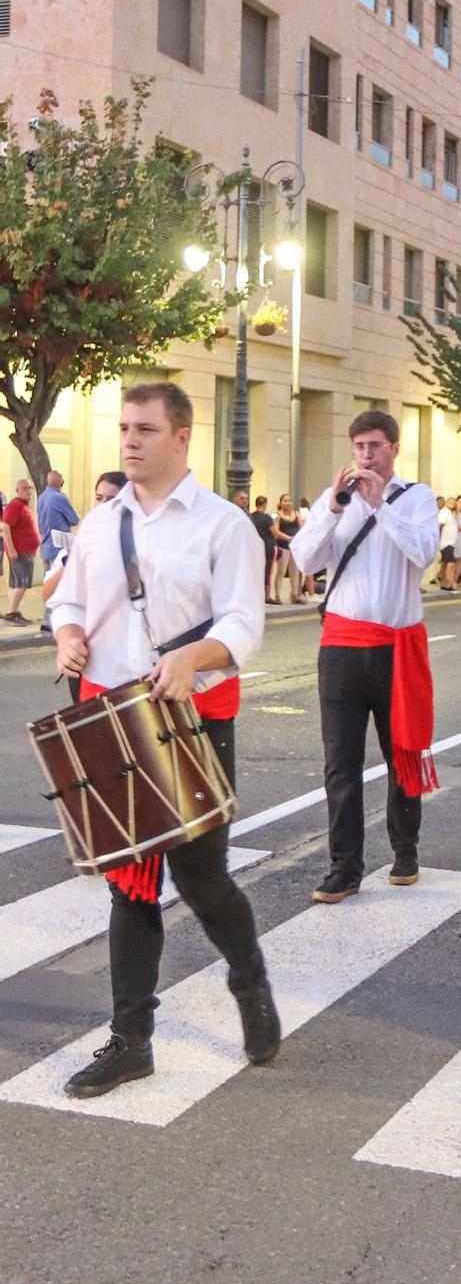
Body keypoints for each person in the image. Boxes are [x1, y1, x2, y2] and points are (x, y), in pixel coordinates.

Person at [51, 381, 279, 1097]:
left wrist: (193, 656)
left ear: (181, 436)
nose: (129, 440)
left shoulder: (222, 524)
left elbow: (245, 623)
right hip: (112, 721)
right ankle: (131, 1041)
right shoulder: (100, 522)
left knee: (202, 878)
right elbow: (68, 597)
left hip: (189, 720)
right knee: (129, 886)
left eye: (145, 428)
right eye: (125, 427)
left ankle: (249, 982)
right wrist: (67, 637)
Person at [289, 409, 441, 902]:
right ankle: (344, 867)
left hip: (396, 649)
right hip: (341, 648)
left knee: (403, 754)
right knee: (341, 763)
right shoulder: (334, 501)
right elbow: (305, 562)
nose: (366, 456)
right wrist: (334, 509)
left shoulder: (416, 498)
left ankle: (405, 851)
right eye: (359, 447)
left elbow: (423, 552)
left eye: (375, 446)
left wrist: (380, 507)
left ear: (394, 448)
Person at [44, 472, 128, 699]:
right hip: (84, 656)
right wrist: (70, 563)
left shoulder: (138, 541)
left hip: (123, 662)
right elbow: (50, 594)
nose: (102, 505)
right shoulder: (84, 539)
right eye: (98, 498)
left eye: (111, 499)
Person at [2, 478, 40, 625]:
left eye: (30, 488)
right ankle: (11, 615)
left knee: (19, 584)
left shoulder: (25, 506)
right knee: (23, 584)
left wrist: (34, 547)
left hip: (27, 551)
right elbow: (6, 527)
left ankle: (12, 611)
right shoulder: (15, 505)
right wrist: (11, 549)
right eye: (24, 488)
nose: (28, 490)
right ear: (17, 491)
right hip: (19, 552)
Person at [273, 493, 302, 603]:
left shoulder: (297, 514)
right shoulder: (277, 515)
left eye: (289, 500)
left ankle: (294, 594)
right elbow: (276, 530)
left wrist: (296, 537)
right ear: (281, 502)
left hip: (294, 546)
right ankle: (277, 595)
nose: (288, 503)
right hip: (283, 545)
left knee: (294, 571)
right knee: (282, 570)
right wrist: (287, 537)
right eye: (285, 500)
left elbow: (302, 527)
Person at [249, 494, 278, 603]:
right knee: (268, 570)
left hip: (256, 545)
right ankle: (267, 596)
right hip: (268, 545)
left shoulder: (251, 517)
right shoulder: (267, 518)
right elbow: (275, 533)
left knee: (256, 569)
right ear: (264, 504)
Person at [437, 495, 460, 591]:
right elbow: (440, 525)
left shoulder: (451, 514)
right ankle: (450, 583)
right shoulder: (444, 512)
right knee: (450, 563)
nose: (453, 505)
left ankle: (444, 583)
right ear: (447, 503)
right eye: (450, 502)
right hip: (446, 542)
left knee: (445, 563)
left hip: (450, 542)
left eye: (454, 503)